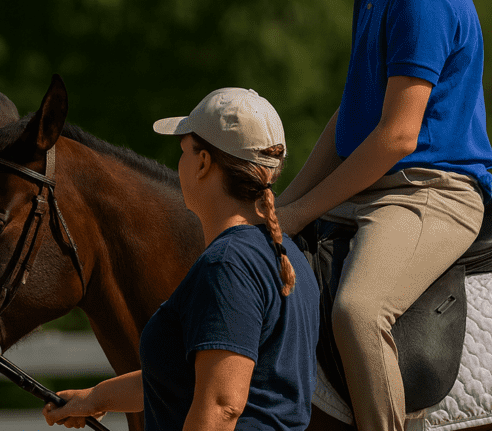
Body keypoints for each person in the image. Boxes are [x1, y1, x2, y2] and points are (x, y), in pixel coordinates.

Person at [273, 0, 492, 430]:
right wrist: (284, 205)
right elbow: (351, 117)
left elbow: (396, 137)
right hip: (377, 185)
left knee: (357, 309)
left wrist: (300, 213)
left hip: (431, 193)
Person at [42, 88, 320, 431]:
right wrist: (97, 398)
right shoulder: (287, 256)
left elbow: (221, 407)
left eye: (184, 151)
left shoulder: (228, 264)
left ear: (203, 163)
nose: (180, 162)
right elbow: (183, 378)